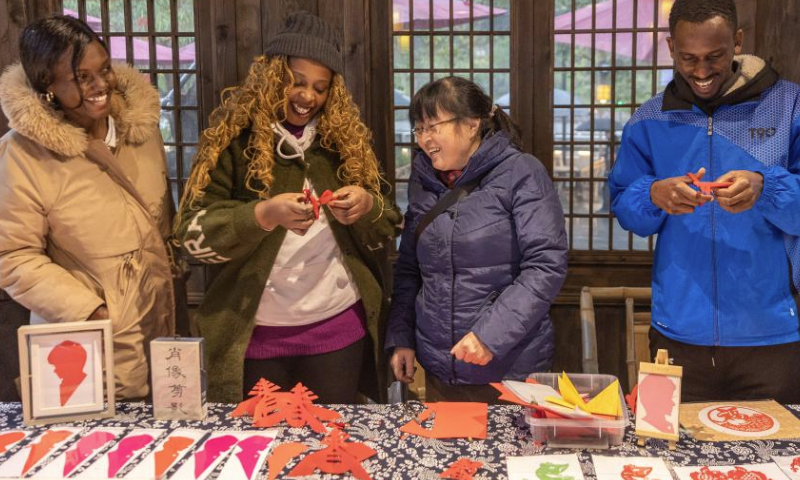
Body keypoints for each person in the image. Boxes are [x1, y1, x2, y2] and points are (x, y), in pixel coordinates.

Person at [175, 11, 402, 404]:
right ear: (273, 76)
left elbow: (390, 223)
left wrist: (367, 206)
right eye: (296, 82)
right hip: (254, 334)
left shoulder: (342, 144)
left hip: (338, 331)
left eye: (320, 87)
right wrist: (262, 216)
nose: (308, 97)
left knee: (332, 448)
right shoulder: (234, 142)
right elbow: (190, 237)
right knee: (262, 454)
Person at [609, 0, 800, 403]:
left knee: (777, 462)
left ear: (737, 41)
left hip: (771, 334)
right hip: (677, 331)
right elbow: (626, 206)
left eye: (714, 56)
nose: (700, 71)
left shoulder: (789, 107)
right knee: (672, 460)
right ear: (670, 47)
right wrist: (653, 194)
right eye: (688, 57)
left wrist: (767, 187)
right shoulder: (649, 120)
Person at [0, 15, 177, 399]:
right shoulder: (23, 153)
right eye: (82, 77)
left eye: (105, 69)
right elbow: (12, 254)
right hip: (81, 348)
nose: (101, 86)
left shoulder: (140, 134)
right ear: (48, 84)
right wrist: (93, 311)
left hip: (160, 331)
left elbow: (163, 225)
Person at [385, 77, 568, 402]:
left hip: (511, 367)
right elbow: (410, 269)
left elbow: (545, 266)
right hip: (442, 366)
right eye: (419, 129)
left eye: (433, 126)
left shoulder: (522, 173)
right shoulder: (423, 180)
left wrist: (490, 335)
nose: (425, 139)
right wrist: (403, 337)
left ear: (472, 124)